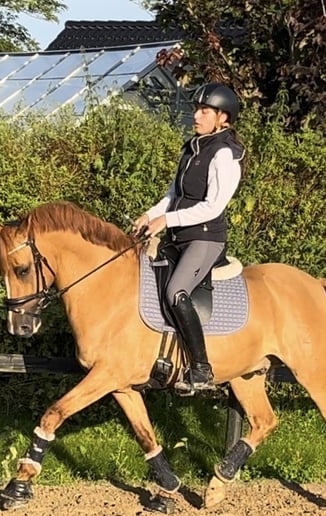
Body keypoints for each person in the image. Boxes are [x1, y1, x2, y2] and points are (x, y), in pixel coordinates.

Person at [133, 82, 246, 392]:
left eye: (203, 111)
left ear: (222, 118)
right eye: (196, 109)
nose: (195, 116)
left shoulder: (225, 155)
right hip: (179, 235)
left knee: (176, 291)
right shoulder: (192, 148)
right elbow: (174, 194)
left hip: (205, 238)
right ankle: (158, 361)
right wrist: (149, 214)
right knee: (146, 280)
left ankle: (201, 368)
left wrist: (166, 219)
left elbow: (213, 207)